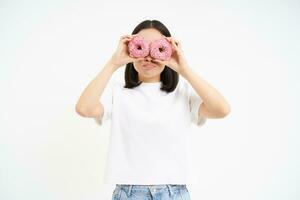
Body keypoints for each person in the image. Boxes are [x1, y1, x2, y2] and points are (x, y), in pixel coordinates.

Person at [75, 19, 230, 200]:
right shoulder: (117, 93)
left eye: (157, 48)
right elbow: (84, 108)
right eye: (142, 47)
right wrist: (113, 63)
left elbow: (222, 109)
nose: (149, 57)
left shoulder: (183, 94)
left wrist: (184, 68)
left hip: (174, 194)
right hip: (129, 193)